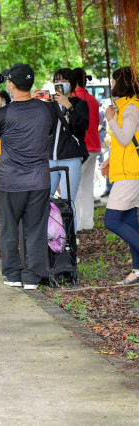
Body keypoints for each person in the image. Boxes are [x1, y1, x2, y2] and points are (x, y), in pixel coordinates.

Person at [0, 63, 56, 290]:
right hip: (39, 179)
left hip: (11, 181)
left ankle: (12, 275)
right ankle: (32, 278)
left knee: (9, 229)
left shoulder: (4, 114)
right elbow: (49, 131)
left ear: (11, 85)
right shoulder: (47, 110)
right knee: (36, 230)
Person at [101, 66, 139, 285]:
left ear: (122, 83)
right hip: (125, 170)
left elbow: (125, 138)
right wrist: (110, 160)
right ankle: (137, 270)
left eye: (115, 81)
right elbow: (125, 143)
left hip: (129, 174)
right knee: (130, 222)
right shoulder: (125, 106)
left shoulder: (131, 108)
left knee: (112, 220)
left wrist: (110, 119)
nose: (113, 86)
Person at [42, 67, 89, 232]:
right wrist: (38, 104)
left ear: (72, 83)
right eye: (56, 81)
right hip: (51, 158)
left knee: (67, 202)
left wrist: (69, 106)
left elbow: (81, 127)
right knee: (44, 199)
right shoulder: (51, 105)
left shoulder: (80, 104)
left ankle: (70, 246)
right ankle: (51, 238)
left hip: (71, 158)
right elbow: (44, 128)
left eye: (63, 81)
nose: (59, 84)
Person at [72, 68, 101, 231]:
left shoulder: (73, 100)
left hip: (80, 147)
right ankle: (87, 223)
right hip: (94, 145)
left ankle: (75, 225)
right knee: (87, 186)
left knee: (74, 187)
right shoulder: (93, 100)